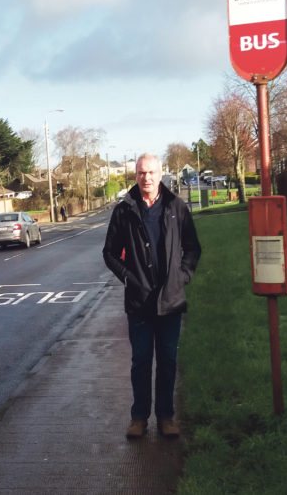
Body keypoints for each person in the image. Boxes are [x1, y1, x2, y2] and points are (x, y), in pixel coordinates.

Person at [102, 153, 201, 438]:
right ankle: (139, 417)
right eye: (142, 173)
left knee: (168, 360)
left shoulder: (176, 207)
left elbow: (193, 248)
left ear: (161, 175)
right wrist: (127, 278)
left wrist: (182, 277)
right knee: (141, 361)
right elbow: (109, 253)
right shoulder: (124, 211)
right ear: (136, 176)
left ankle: (167, 417)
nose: (147, 178)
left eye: (152, 173)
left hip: (170, 300)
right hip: (139, 302)